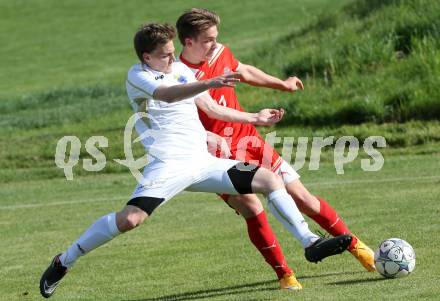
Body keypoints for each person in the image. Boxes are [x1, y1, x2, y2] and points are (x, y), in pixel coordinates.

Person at [39, 23, 352, 298]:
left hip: (204, 162)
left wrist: (254, 117)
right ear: (147, 57)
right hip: (168, 167)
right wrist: (210, 83)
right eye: (165, 54)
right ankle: (64, 261)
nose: (173, 59)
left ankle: (310, 242)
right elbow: (168, 96)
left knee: (269, 179)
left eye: (173, 52)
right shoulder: (138, 76)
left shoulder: (180, 70)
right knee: (130, 220)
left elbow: (213, 109)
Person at [176, 8, 375, 276]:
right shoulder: (181, 77)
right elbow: (210, 110)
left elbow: (242, 70)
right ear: (189, 42)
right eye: (208, 39)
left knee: (304, 198)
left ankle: (360, 249)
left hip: (250, 141)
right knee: (252, 207)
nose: (215, 43)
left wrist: (281, 84)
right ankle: (285, 275)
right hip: (219, 157)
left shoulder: (219, 52)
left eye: (216, 36)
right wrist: (249, 119)